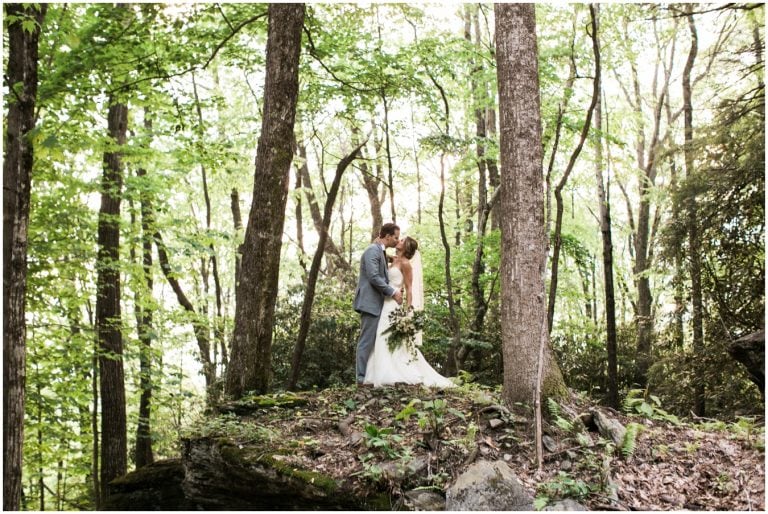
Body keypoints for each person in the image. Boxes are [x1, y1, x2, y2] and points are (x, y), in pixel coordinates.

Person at [363, 236, 454, 388]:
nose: (398, 241)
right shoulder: (394, 259)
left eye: (402, 240)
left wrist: (407, 310)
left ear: (405, 247)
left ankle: (393, 373)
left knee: (387, 336)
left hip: (394, 305)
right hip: (384, 303)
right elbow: (379, 257)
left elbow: (410, 289)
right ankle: (378, 373)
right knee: (381, 336)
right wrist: (378, 244)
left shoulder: (405, 264)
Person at [354, 223, 403, 386]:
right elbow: (374, 276)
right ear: (387, 236)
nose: (397, 241)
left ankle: (369, 376)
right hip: (369, 302)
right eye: (395, 237)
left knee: (374, 341)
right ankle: (361, 378)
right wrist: (393, 292)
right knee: (366, 340)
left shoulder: (379, 250)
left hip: (377, 303)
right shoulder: (372, 250)